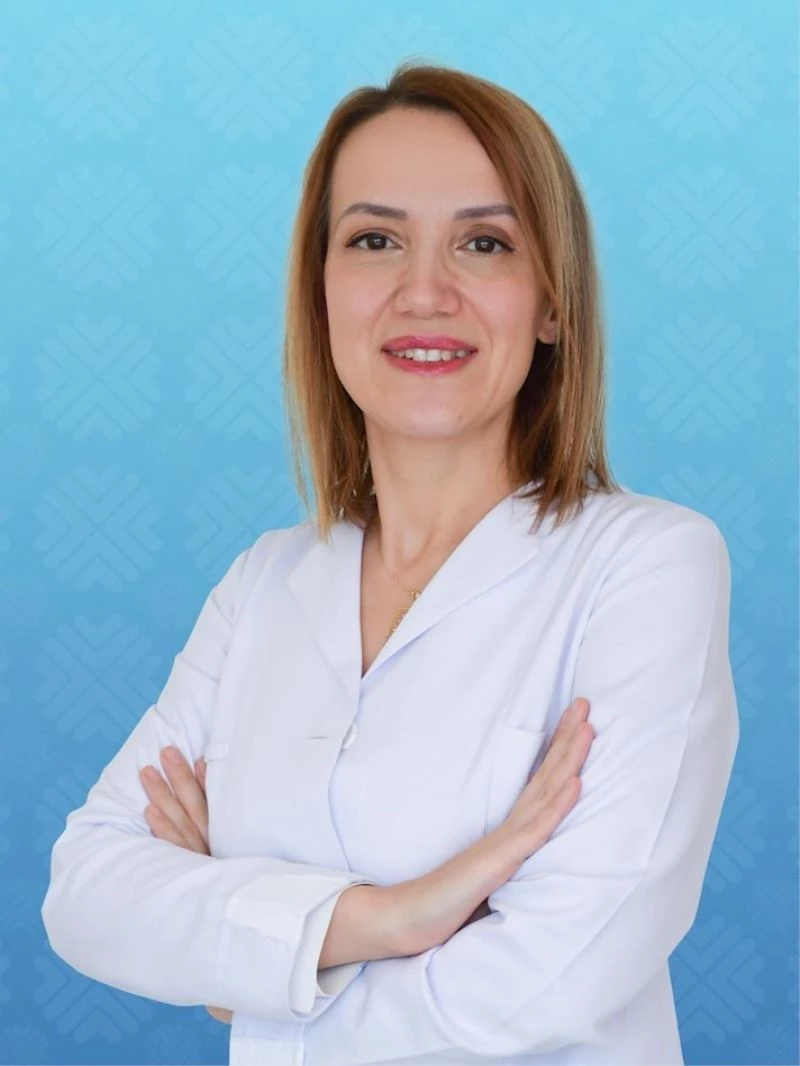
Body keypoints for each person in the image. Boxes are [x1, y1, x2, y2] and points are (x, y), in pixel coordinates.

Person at [41, 60, 739, 1065]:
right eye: (375, 240)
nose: (424, 292)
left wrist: (249, 977)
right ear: (320, 292)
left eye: (483, 243)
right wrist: (390, 917)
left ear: (551, 303)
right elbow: (86, 892)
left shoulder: (647, 566)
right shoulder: (263, 585)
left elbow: (561, 976)